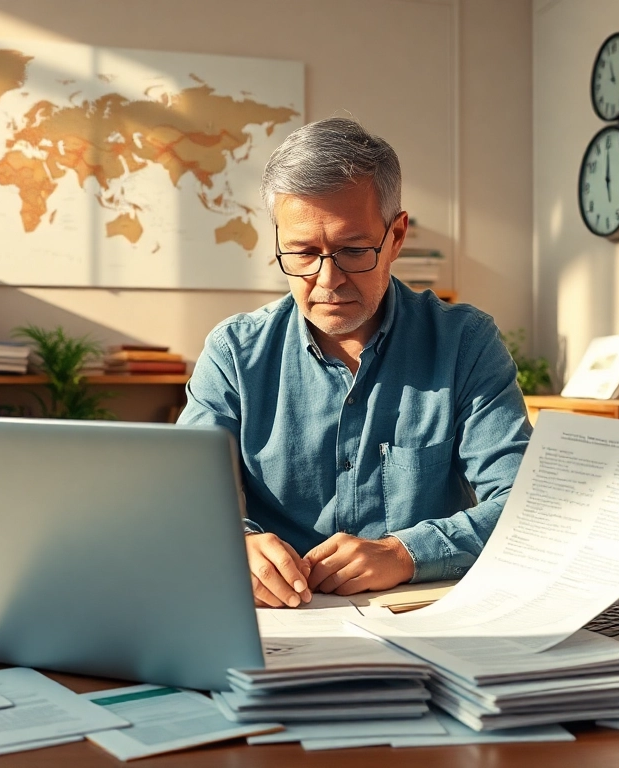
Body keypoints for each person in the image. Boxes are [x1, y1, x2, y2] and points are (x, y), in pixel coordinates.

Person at [178, 117, 530, 608]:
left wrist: (406, 553)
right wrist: (233, 544)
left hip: (422, 617)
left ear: (397, 236)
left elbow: (523, 504)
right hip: (280, 621)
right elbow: (182, 497)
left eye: (352, 250)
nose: (327, 280)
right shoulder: (235, 353)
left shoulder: (464, 343)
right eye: (302, 252)